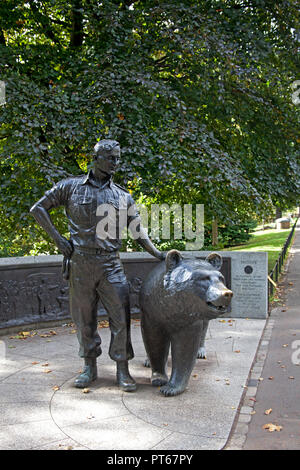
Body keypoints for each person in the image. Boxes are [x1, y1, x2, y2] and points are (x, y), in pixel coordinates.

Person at [30, 139, 164, 392]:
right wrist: (59, 240)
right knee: (84, 319)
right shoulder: (70, 187)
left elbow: (137, 230)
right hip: (80, 262)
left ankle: (122, 370)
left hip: (110, 263)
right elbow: (38, 209)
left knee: (121, 318)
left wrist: (157, 253)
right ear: (97, 157)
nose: (116, 162)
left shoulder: (123, 196)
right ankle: (89, 368)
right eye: (111, 157)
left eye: (118, 158)